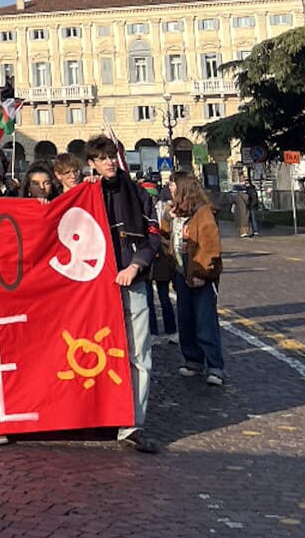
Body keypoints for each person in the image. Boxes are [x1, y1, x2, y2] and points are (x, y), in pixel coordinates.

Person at [87, 134, 161, 454]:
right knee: (96, 352)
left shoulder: (139, 195)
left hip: (133, 283)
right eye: (102, 158)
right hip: (95, 291)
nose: (108, 162)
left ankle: (133, 423)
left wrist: (135, 265)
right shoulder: (86, 194)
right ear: (92, 163)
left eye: (112, 156)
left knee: (138, 355)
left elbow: (153, 237)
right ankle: (100, 415)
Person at [163, 171, 225, 385]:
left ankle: (215, 366)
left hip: (200, 275)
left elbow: (210, 244)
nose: (170, 189)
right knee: (186, 319)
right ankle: (193, 361)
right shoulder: (176, 213)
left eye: (172, 185)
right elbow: (164, 238)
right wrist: (166, 219)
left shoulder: (202, 213)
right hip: (181, 274)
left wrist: (202, 272)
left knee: (205, 321)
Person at [148, 186, 178, 344]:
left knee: (163, 298)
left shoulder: (165, 211)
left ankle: (171, 330)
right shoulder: (140, 211)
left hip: (161, 261)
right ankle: (153, 332)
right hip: (147, 263)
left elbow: (170, 235)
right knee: (149, 301)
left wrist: (160, 240)